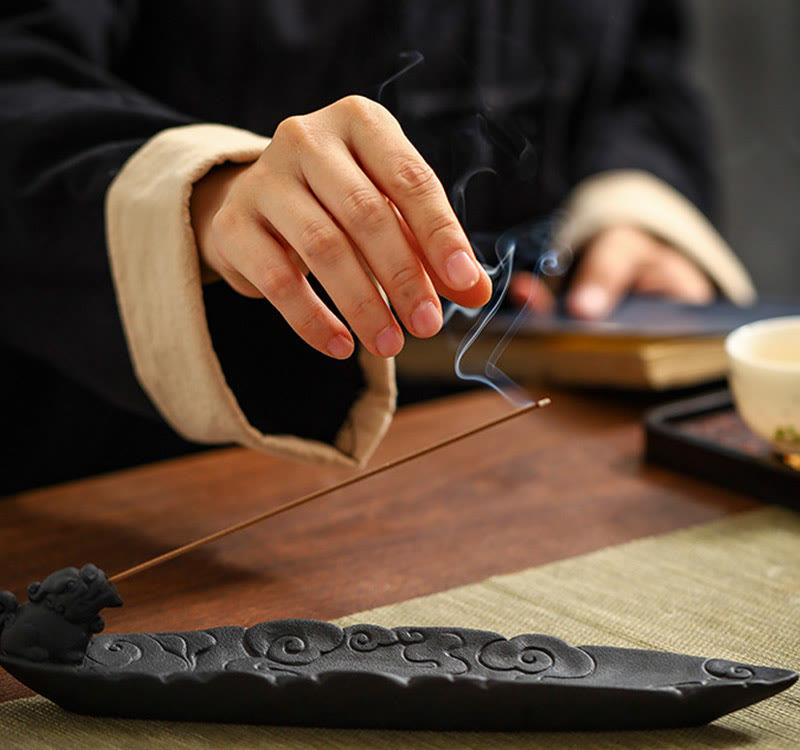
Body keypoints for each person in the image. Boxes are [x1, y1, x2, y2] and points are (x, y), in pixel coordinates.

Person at [0, 1, 755, 494]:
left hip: (543, 453)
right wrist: (206, 188)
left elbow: (643, 66)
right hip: (152, 468)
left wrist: (635, 205)